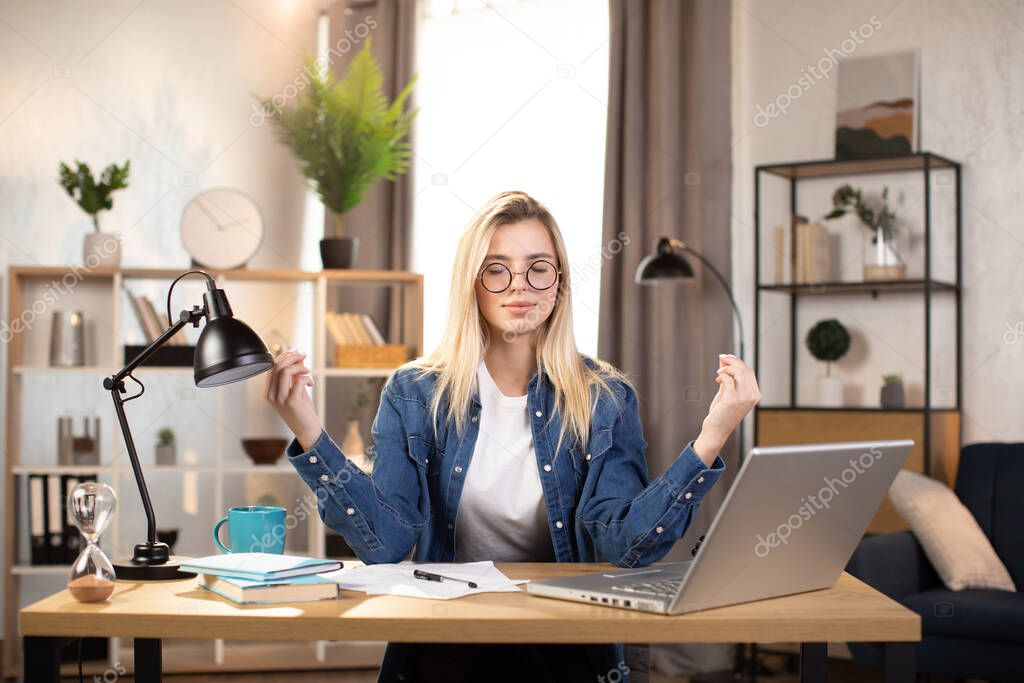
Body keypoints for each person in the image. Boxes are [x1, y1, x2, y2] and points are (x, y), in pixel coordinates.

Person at [265, 190, 761, 682]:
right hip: (449, 637)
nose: (518, 285)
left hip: (565, 638)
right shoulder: (415, 392)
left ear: (559, 282)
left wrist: (711, 437)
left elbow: (626, 546)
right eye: (496, 268)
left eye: (538, 267)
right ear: (472, 283)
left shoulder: (605, 397)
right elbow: (387, 545)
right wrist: (309, 431)